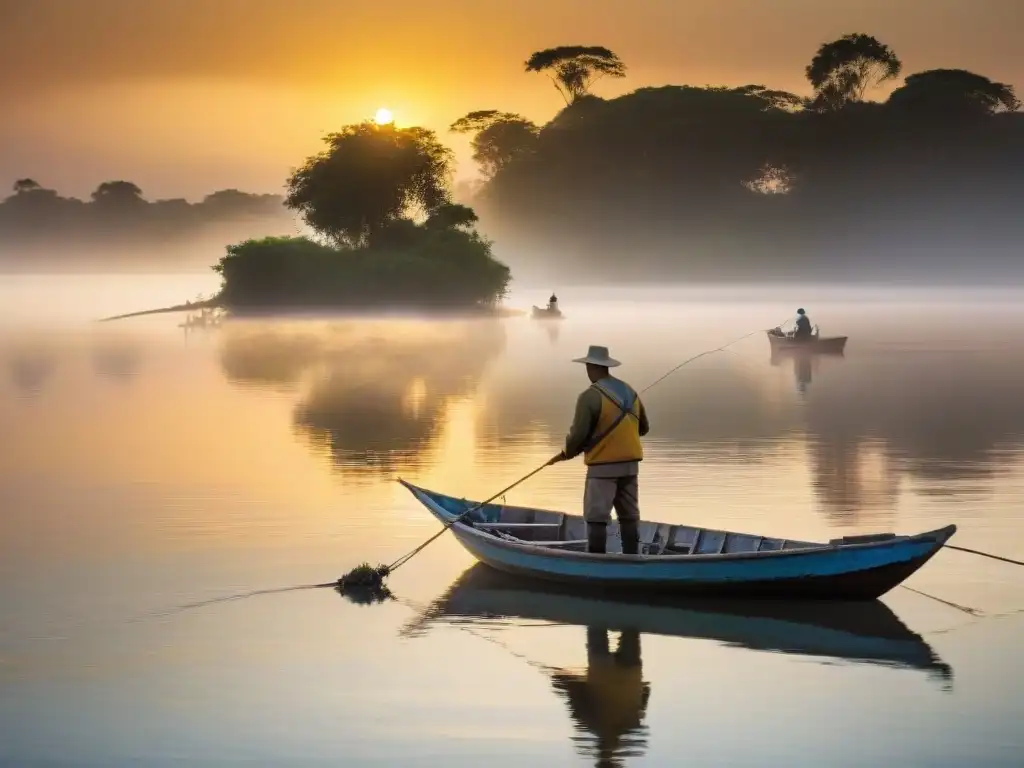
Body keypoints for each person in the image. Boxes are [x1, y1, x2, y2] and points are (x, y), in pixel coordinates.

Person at [548, 345, 650, 555]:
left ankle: (596, 560)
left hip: (602, 468)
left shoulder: (589, 396)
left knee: (596, 517)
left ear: (591, 367)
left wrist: (566, 453)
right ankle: (632, 559)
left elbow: (578, 435)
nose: (587, 370)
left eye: (587, 366)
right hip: (631, 466)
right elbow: (644, 428)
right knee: (629, 515)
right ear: (606, 366)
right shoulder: (630, 392)